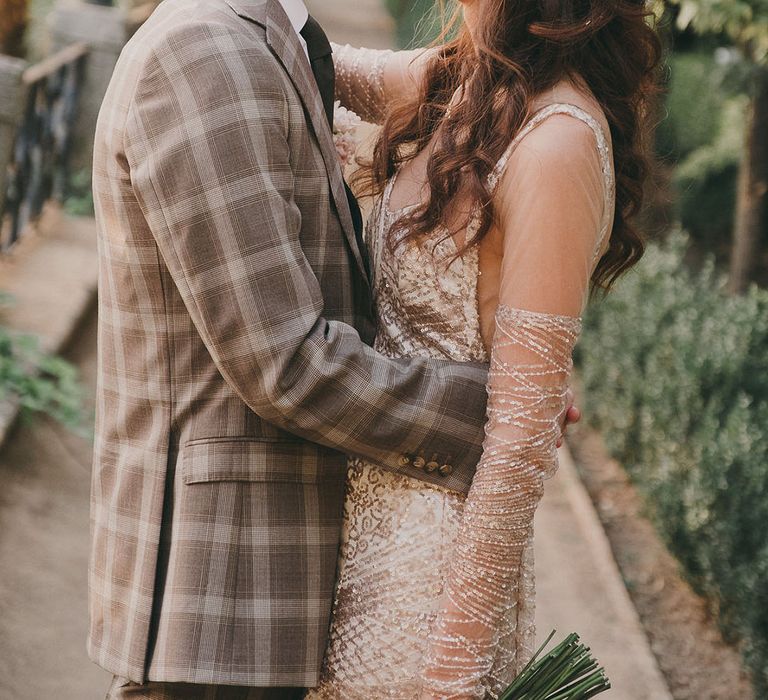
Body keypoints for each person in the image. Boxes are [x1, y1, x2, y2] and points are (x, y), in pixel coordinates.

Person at [87, 0, 581, 698]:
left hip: (299, 587)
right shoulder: (203, 52)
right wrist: (502, 407)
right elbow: (284, 363)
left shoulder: (276, 38)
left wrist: (524, 342)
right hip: (220, 599)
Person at [304, 0, 660, 697]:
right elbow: (311, 60)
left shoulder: (559, 143)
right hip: (344, 529)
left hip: (425, 583)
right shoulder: (464, 83)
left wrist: (453, 668)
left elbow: (522, 440)